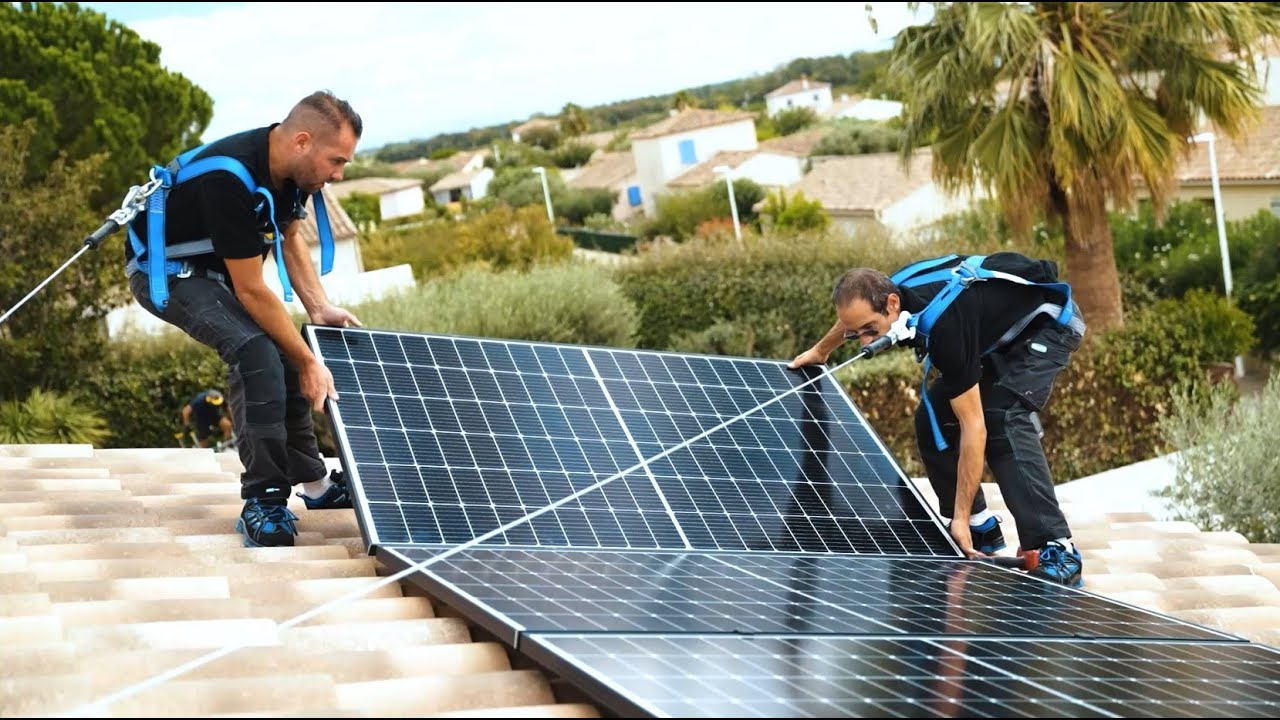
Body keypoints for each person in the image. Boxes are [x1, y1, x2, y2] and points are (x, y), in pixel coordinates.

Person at [127, 90, 362, 548]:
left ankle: (316, 486)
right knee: (256, 352)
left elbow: (289, 235)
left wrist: (318, 307)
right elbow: (252, 290)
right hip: (167, 273)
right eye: (336, 161)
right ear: (302, 142)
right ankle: (263, 500)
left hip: (216, 273)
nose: (338, 174)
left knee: (285, 352)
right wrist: (308, 362)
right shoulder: (229, 179)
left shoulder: (293, 172)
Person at [789, 252, 1087, 587]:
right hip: (997, 337)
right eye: (856, 334)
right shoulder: (889, 289)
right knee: (933, 421)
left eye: (870, 330)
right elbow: (852, 318)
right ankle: (979, 528)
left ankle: (1058, 547)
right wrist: (822, 351)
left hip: (1048, 327)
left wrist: (957, 516)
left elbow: (974, 428)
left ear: (891, 304)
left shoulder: (946, 329)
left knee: (1002, 419)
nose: (866, 342)